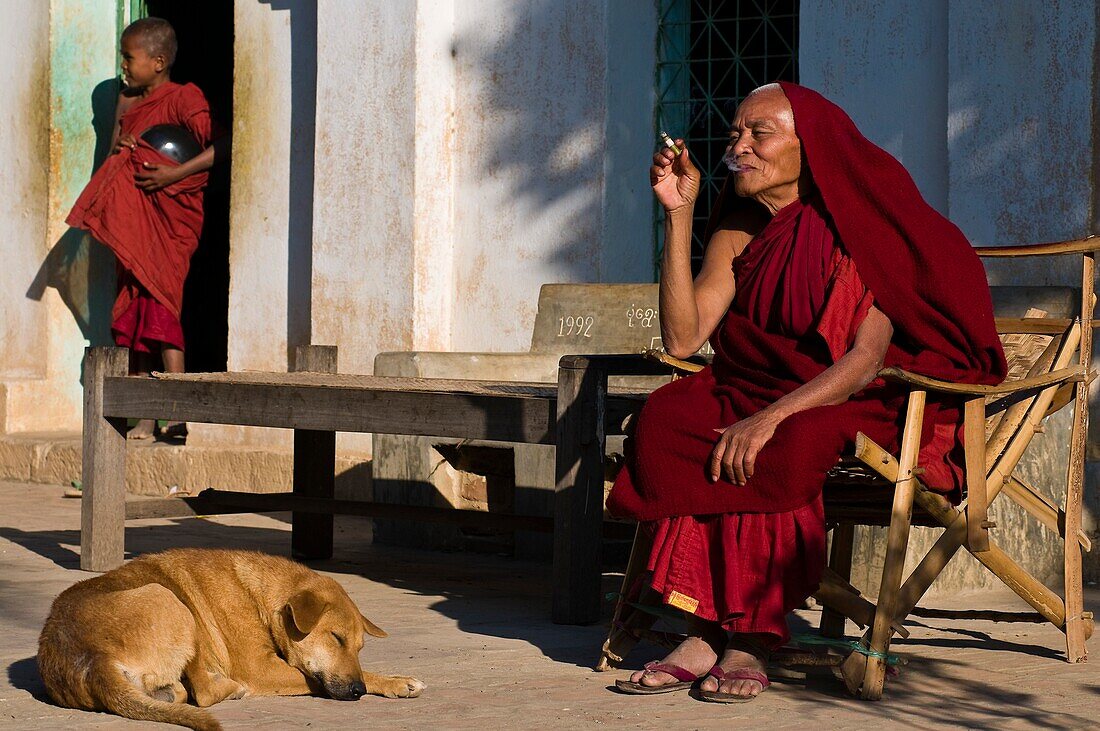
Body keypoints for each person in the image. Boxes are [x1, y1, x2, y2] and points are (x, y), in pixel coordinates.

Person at [608, 82, 1006, 702]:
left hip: (846, 397)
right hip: (750, 386)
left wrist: (769, 418)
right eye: (736, 132)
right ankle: (703, 626)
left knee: (786, 445)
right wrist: (679, 215)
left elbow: (864, 357)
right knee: (666, 418)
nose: (738, 147)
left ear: (808, 146)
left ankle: (752, 637)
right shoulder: (741, 230)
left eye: (758, 134)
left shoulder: (862, 224)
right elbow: (685, 339)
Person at [66, 17, 230, 442]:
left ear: (158, 62)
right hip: (135, 224)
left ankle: (175, 416)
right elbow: (111, 163)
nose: (123, 66)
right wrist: (120, 143)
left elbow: (219, 147)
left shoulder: (184, 97)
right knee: (135, 316)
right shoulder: (127, 104)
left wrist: (173, 177)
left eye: (129, 58)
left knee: (161, 310)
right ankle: (142, 417)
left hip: (171, 221)